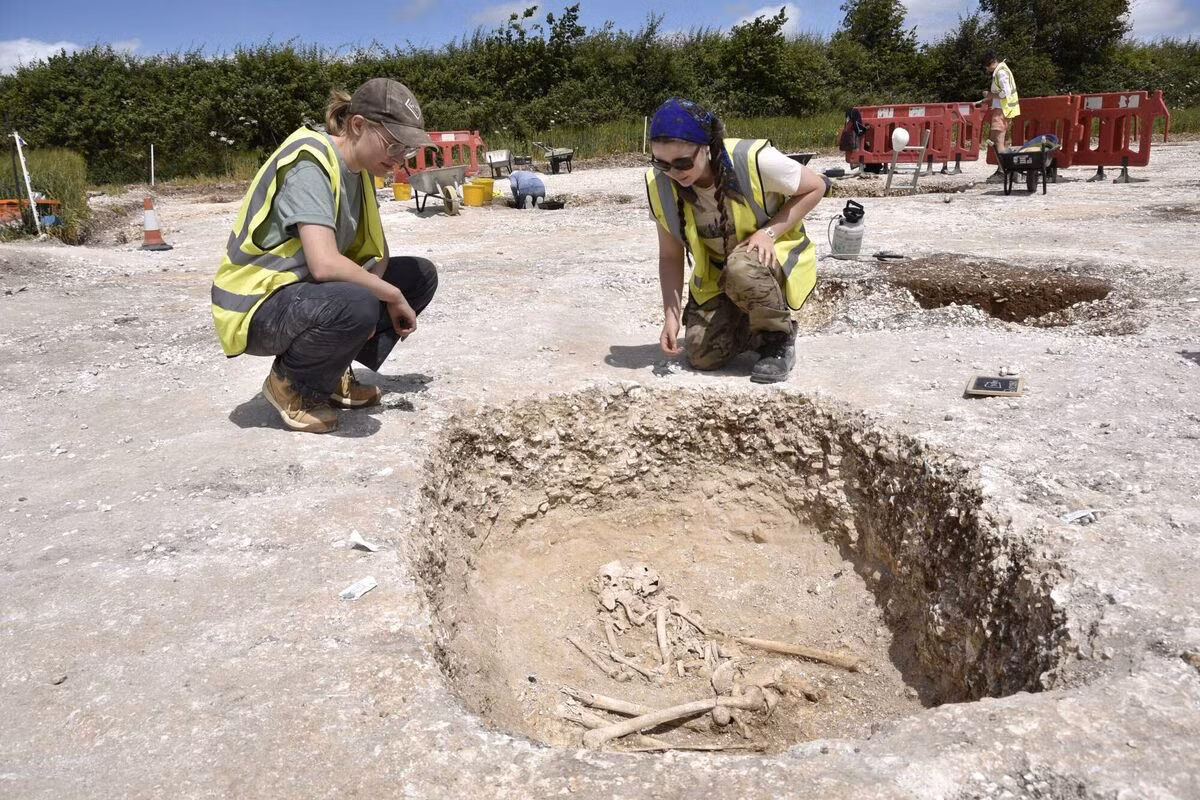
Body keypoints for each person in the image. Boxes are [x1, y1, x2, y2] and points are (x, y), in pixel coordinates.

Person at [210, 78, 439, 434]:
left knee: (418, 276)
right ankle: (291, 386)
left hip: (304, 294)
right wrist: (387, 297)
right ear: (358, 125)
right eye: (393, 144)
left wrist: (381, 297)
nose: (399, 159)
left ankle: (329, 375)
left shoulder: (359, 171)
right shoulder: (311, 162)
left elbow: (376, 252)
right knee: (363, 301)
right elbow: (325, 263)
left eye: (406, 150)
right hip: (256, 306)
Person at [645, 97, 827, 384]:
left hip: (764, 264)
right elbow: (670, 255)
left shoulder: (752, 159)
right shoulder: (661, 186)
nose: (672, 173)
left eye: (682, 163)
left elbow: (816, 186)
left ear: (706, 147)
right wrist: (670, 314)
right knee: (702, 355)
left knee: (741, 265)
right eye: (661, 163)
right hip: (721, 277)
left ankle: (776, 339)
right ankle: (749, 328)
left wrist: (768, 233)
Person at [977, 50, 1021, 181]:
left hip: (1002, 110)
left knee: (998, 141)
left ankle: (1004, 171)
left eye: (986, 66)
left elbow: (1005, 93)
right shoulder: (1003, 69)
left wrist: (990, 95)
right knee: (997, 141)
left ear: (989, 63)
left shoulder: (1000, 73)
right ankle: (1008, 169)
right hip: (1003, 109)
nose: (986, 69)